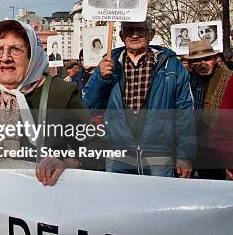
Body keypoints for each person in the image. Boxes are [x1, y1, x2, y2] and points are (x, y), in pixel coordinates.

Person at [0, 20, 101, 186]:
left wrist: (67, 163)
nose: (5, 58)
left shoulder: (59, 92)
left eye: (15, 49)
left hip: (40, 199)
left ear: (32, 55)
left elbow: (97, 148)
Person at [83, 18, 195, 177]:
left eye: (140, 30)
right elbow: (89, 106)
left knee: (159, 200)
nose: (134, 35)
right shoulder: (108, 65)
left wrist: (185, 155)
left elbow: (185, 112)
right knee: (120, 200)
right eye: (129, 30)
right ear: (122, 35)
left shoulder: (171, 66)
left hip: (159, 153)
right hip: (119, 154)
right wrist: (101, 79)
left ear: (151, 34)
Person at [187, 40, 232, 180]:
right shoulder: (188, 81)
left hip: (217, 146)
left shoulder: (229, 79)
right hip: (193, 144)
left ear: (215, 59)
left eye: (207, 59)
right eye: (197, 60)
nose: (202, 64)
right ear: (191, 64)